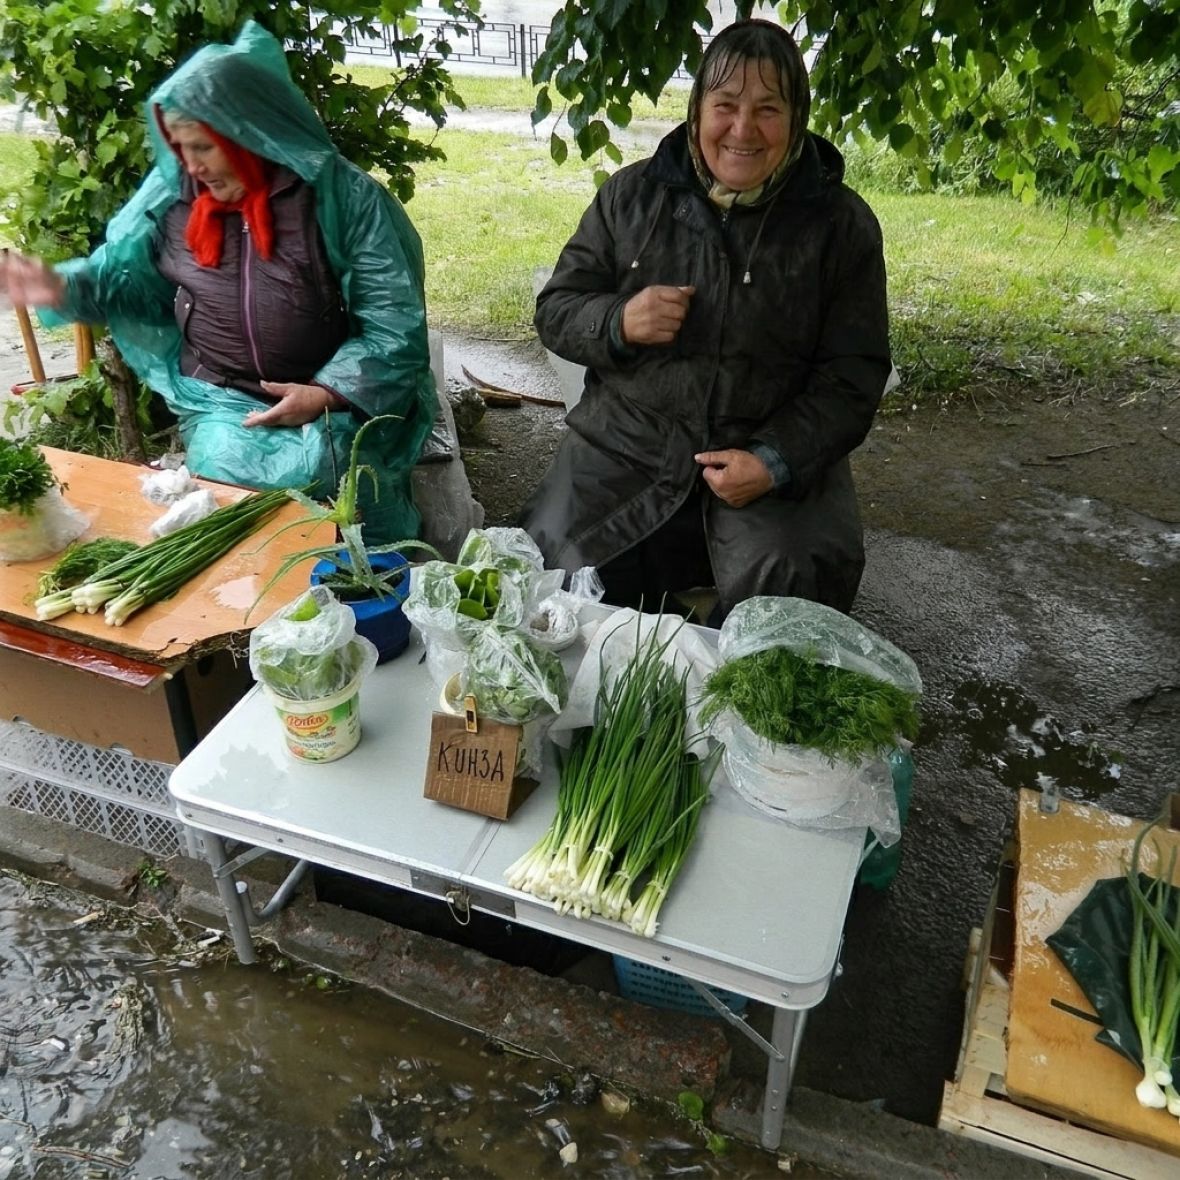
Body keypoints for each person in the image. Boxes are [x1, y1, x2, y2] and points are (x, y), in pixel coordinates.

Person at [0, 21, 435, 545]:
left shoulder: (345, 201)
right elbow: (128, 283)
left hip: (331, 401)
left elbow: (393, 325)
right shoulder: (173, 198)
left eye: (203, 147)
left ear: (249, 133)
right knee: (231, 520)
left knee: (346, 517)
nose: (190, 164)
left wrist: (328, 393)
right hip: (223, 403)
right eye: (179, 146)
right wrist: (63, 287)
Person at [523, 19, 891, 619]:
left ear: (796, 120)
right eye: (726, 105)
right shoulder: (631, 197)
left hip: (768, 448)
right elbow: (557, 311)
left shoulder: (839, 226)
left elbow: (852, 378)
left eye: (768, 109)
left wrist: (773, 462)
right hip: (628, 443)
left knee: (791, 591)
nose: (743, 130)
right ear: (697, 111)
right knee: (549, 566)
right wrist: (619, 320)